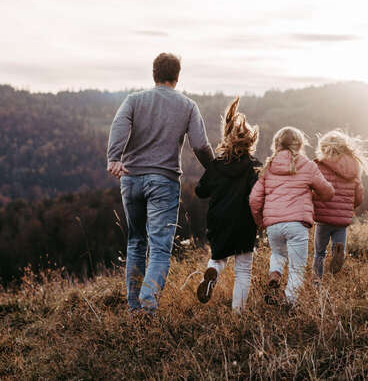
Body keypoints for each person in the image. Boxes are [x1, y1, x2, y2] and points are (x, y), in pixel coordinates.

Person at [106, 52, 214, 314]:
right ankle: (147, 299)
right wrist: (215, 169)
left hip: (131, 179)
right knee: (160, 247)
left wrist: (114, 158)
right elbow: (199, 144)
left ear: (154, 74)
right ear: (177, 76)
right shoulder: (188, 105)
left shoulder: (134, 100)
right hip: (163, 181)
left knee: (135, 241)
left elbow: (119, 125)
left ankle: (135, 309)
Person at [248, 127, 334, 305]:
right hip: (297, 224)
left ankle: (275, 273)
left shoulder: (269, 167)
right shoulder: (308, 165)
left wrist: (261, 222)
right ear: (300, 144)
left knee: (278, 254)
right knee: (297, 269)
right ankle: (289, 303)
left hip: (273, 225)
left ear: (277, 145)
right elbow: (327, 192)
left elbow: (254, 199)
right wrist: (312, 194)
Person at [194, 97, 261, 312]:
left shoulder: (216, 165)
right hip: (244, 223)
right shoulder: (254, 167)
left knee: (219, 257)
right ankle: (237, 313)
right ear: (250, 141)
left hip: (219, 220)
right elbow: (259, 195)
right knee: (243, 270)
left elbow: (200, 191)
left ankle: (212, 274)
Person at [311, 130, 368, 278]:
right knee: (338, 244)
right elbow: (358, 195)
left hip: (323, 219)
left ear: (324, 147)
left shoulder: (319, 165)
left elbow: (312, 187)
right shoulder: (353, 166)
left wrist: (313, 203)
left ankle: (317, 281)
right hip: (342, 219)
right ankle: (339, 251)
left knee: (319, 252)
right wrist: (350, 206)